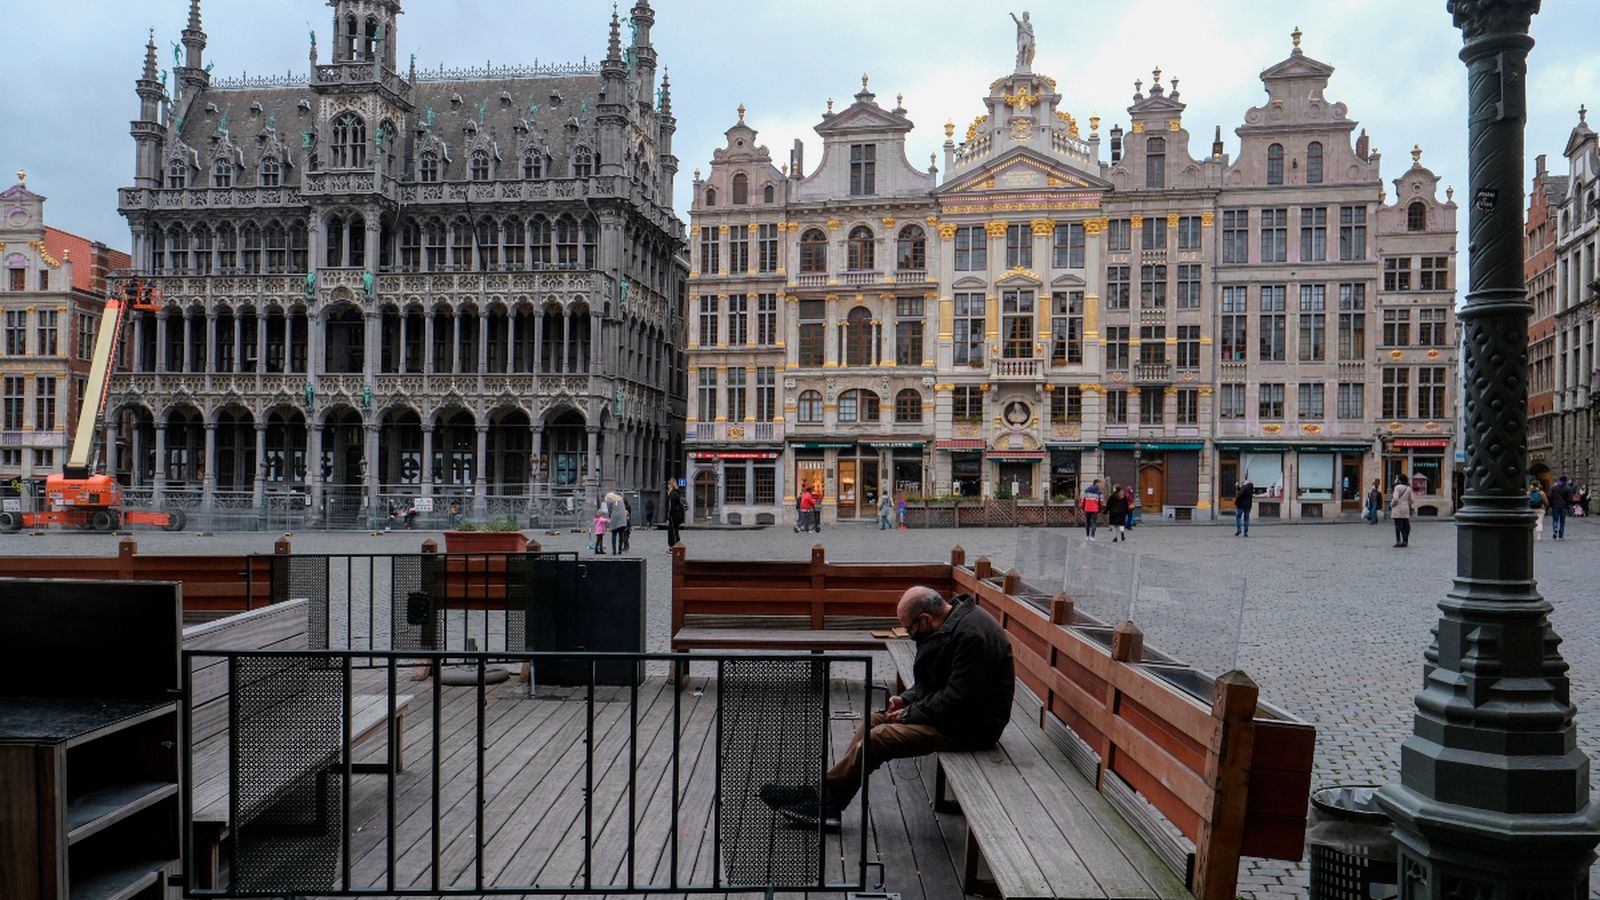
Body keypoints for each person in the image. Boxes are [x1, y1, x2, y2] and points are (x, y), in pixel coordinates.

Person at [762, 586, 1014, 831]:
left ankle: (825, 800)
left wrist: (908, 714)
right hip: (953, 716)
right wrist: (907, 698)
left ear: (926, 618)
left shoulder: (972, 636)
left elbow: (958, 699)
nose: (910, 634)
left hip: (972, 727)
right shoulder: (951, 624)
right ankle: (825, 795)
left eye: (909, 629)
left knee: (879, 739)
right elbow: (938, 683)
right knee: (873, 721)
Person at [1391, 474, 1414, 548]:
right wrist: (1406, 503)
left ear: (1399, 480)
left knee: (1398, 526)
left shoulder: (1397, 487)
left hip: (1397, 508)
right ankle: (1405, 541)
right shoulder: (1408, 488)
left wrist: (1392, 505)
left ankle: (1398, 541)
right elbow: (1412, 500)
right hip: (1405, 508)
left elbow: (1395, 499)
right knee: (1405, 525)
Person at [1549, 475, 1572, 540]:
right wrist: (1568, 504)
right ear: (1566, 481)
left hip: (1555, 506)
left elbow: (1549, 496)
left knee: (1555, 520)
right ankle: (1561, 535)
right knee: (1562, 521)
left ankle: (1555, 529)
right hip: (1564, 507)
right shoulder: (1568, 488)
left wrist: (1551, 504)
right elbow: (1570, 499)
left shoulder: (1554, 488)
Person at [665, 480, 685, 550]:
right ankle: (677, 543)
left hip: (674, 514)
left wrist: (668, 518)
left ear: (670, 485)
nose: (667, 486)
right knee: (675, 530)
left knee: (672, 530)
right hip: (680, 514)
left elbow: (670, 507)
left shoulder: (672, 494)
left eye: (668, 485)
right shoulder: (678, 493)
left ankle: (673, 547)